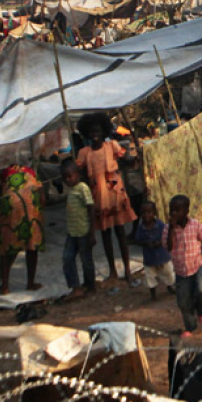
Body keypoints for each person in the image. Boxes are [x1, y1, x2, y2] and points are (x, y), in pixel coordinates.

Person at [75, 114, 137, 285]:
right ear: (87, 134)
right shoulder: (84, 153)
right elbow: (78, 171)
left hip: (115, 193)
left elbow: (126, 159)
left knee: (120, 232)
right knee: (105, 234)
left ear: (104, 132)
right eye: (91, 132)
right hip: (98, 197)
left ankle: (127, 269)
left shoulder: (112, 146)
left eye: (98, 131)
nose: (95, 134)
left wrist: (133, 158)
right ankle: (113, 271)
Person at [167, 194, 202, 338]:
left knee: (201, 290)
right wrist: (170, 230)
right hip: (181, 272)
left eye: (177, 210)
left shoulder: (195, 225)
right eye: (171, 210)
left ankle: (201, 311)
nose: (174, 213)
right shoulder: (168, 229)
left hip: (197, 266)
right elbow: (168, 247)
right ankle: (190, 327)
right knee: (184, 301)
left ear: (186, 211)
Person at [0, 163, 44, 294]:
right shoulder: (32, 173)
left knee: (7, 246)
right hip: (30, 210)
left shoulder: (2, 174)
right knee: (31, 245)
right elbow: (43, 196)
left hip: (11, 208)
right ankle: (30, 283)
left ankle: (5, 285)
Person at [59, 159, 96, 299]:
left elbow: (91, 208)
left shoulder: (82, 188)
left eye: (70, 176)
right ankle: (75, 286)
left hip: (83, 231)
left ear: (78, 175)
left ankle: (90, 285)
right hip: (72, 232)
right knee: (67, 258)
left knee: (86, 260)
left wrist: (92, 232)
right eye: (65, 178)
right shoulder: (71, 190)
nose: (68, 180)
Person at [131, 200, 177, 301]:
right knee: (149, 277)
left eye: (149, 212)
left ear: (154, 213)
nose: (146, 215)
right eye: (143, 213)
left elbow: (167, 236)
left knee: (168, 273)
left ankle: (170, 287)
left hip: (163, 256)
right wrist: (145, 243)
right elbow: (137, 240)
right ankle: (153, 294)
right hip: (149, 258)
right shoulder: (141, 228)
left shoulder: (160, 225)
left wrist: (159, 243)